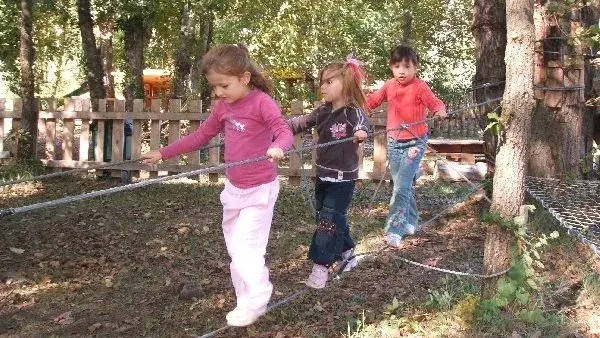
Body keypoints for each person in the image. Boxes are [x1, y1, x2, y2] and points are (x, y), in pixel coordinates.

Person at [141, 44, 293, 327]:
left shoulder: (261, 102)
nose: (219, 93)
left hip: (260, 189)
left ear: (245, 78)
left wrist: (278, 147)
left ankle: (259, 297)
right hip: (234, 190)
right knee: (236, 252)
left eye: (224, 85)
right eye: (215, 87)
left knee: (248, 249)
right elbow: (200, 136)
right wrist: (163, 152)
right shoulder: (223, 106)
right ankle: (244, 302)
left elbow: (284, 130)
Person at [288, 56, 371, 289]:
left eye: (328, 82)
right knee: (330, 217)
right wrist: (278, 126)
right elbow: (301, 123)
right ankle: (348, 253)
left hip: (343, 179)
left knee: (327, 220)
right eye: (321, 82)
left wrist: (362, 132)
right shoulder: (322, 111)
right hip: (323, 175)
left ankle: (321, 266)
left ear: (345, 84)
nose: (322, 87)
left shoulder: (352, 113)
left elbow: (365, 124)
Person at [367, 44, 447, 248]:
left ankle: (395, 229)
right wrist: (355, 105)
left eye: (406, 66)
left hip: (414, 142)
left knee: (401, 187)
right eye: (396, 66)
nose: (401, 71)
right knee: (402, 184)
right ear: (391, 67)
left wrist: (439, 111)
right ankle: (411, 219)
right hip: (394, 143)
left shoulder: (420, 87)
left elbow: (435, 103)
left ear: (416, 67)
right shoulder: (389, 85)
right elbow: (372, 101)